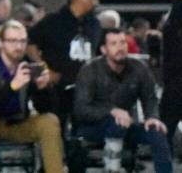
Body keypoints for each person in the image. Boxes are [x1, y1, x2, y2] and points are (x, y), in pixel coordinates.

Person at [0, 20, 63, 173]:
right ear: (1, 43)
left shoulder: (27, 64)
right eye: (13, 41)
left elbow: (48, 109)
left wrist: (44, 88)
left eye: (22, 41)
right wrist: (13, 86)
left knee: (49, 121)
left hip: (17, 123)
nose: (19, 46)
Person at [72, 27, 171, 173]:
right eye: (114, 44)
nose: (120, 48)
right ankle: (113, 168)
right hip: (93, 127)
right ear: (104, 49)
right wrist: (111, 111)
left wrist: (152, 117)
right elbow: (81, 110)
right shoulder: (90, 70)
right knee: (116, 123)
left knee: (157, 132)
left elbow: (150, 98)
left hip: (126, 125)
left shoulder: (138, 68)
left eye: (123, 42)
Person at [28, 0, 101, 130]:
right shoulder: (53, 21)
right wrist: (43, 70)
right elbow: (29, 44)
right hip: (55, 89)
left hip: (85, 88)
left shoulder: (94, 24)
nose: (96, 2)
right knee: (56, 129)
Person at [160, 0, 182, 156]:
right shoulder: (177, 8)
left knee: (163, 132)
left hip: (179, 81)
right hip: (176, 79)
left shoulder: (180, 10)